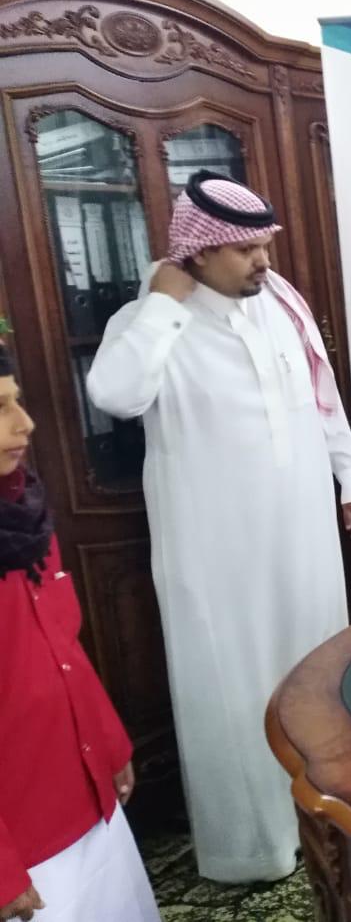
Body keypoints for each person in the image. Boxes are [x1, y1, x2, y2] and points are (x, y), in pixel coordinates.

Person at [86, 171, 351, 883]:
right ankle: (255, 848)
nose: (262, 261)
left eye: (264, 245)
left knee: (313, 666)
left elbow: (321, 394)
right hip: (214, 548)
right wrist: (163, 303)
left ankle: (326, 819)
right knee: (231, 683)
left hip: (302, 531)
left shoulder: (282, 304)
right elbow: (114, 394)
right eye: (245, 250)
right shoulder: (148, 320)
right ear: (199, 251)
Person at [0, 345, 160, 922]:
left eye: (17, 401)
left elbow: (63, 650)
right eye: (0, 409)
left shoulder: (25, 517)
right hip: (24, 836)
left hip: (84, 791)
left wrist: (110, 742)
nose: (25, 423)